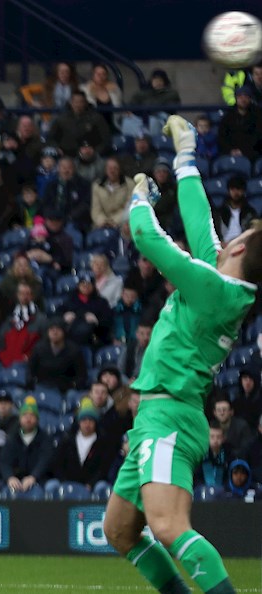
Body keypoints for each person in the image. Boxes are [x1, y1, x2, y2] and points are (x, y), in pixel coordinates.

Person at [104, 116, 261, 594]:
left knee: (168, 527)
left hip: (170, 415)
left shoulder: (215, 287)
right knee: (119, 530)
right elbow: (197, 221)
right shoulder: (224, 280)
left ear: (239, 247)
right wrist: (186, 155)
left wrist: (140, 198)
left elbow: (149, 240)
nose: (231, 236)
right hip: (159, 414)